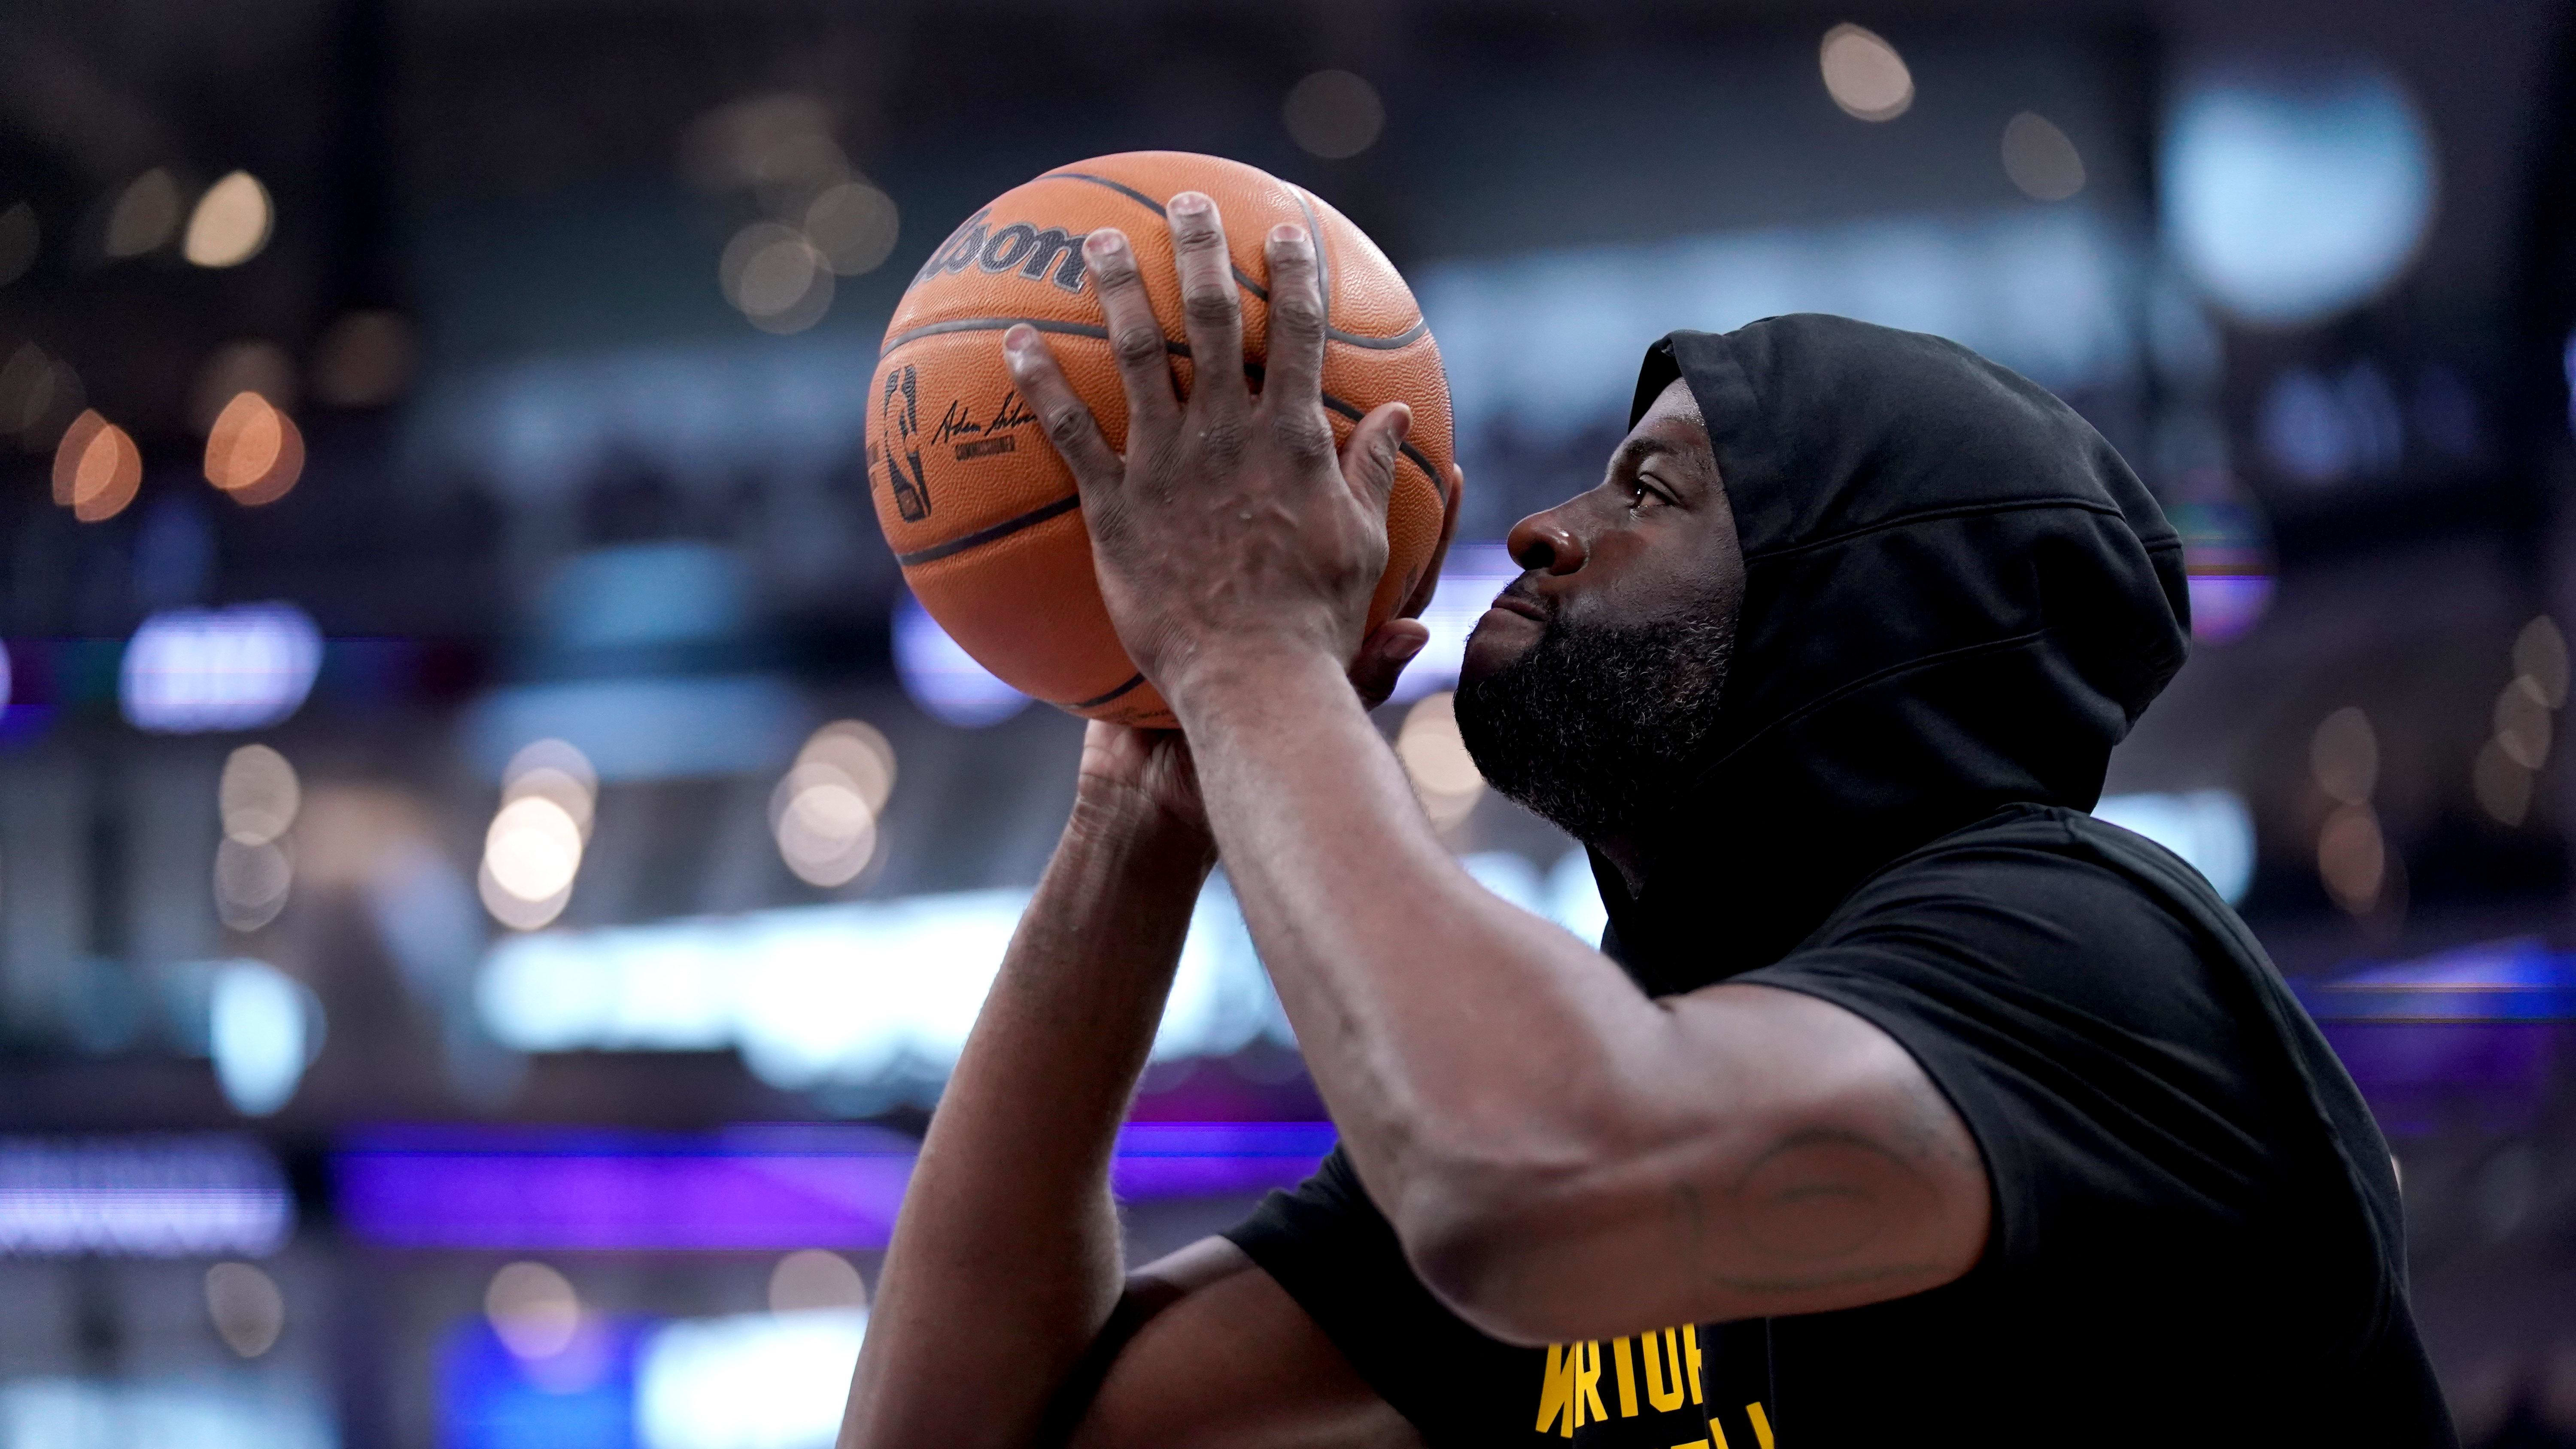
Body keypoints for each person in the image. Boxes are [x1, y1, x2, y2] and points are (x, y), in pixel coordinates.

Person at [835, 195, 2455, 1448]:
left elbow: (1522, 1181)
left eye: (1652, 492)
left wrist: (1254, 648)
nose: (1542, 527)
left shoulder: (2091, 953)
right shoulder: (1630, 1053)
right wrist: (1143, 809)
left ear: (1851, 612)